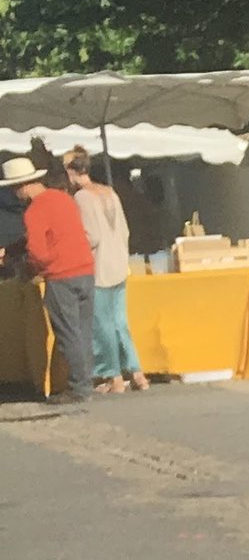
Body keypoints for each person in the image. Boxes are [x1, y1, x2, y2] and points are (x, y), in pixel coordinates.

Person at [9, 152, 96, 401]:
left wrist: (28, 268)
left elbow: (38, 252)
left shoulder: (34, 210)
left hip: (61, 276)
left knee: (68, 333)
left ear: (22, 187)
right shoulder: (63, 199)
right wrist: (15, 248)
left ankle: (78, 388)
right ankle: (86, 382)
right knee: (83, 331)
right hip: (85, 270)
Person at [65, 150, 146, 392]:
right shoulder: (110, 192)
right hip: (119, 263)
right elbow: (125, 230)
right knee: (120, 322)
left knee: (102, 325)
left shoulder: (82, 197)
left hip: (99, 267)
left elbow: (91, 236)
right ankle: (137, 372)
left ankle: (113, 376)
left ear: (71, 172)